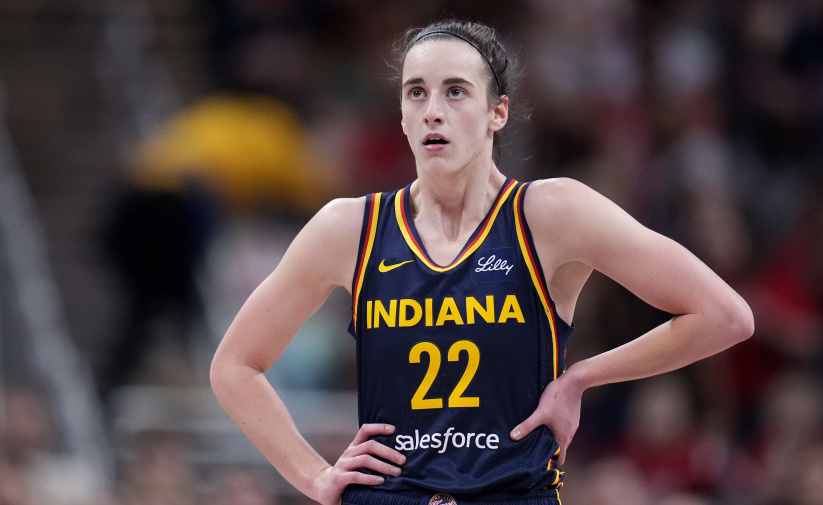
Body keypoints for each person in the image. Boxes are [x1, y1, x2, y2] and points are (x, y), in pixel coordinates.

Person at [209, 19, 754, 505]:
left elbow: (724, 315)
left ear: (499, 112)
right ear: (400, 115)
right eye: (416, 93)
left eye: (455, 92)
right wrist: (315, 476)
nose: (433, 111)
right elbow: (234, 366)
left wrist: (581, 377)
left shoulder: (552, 213)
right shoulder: (349, 228)